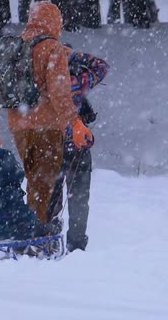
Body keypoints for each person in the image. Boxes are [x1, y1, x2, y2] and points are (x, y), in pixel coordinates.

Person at [0, 1, 93, 225]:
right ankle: (35, 240)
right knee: (44, 187)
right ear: (54, 22)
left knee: (36, 181)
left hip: (19, 128)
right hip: (48, 128)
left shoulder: (14, 47)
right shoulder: (52, 48)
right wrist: (75, 123)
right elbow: (60, 92)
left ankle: (36, 235)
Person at [48, 49, 109, 252]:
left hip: (50, 146)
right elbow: (102, 66)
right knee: (79, 198)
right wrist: (74, 55)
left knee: (50, 198)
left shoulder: (44, 83)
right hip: (77, 145)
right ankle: (76, 245)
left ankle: (49, 242)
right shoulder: (79, 82)